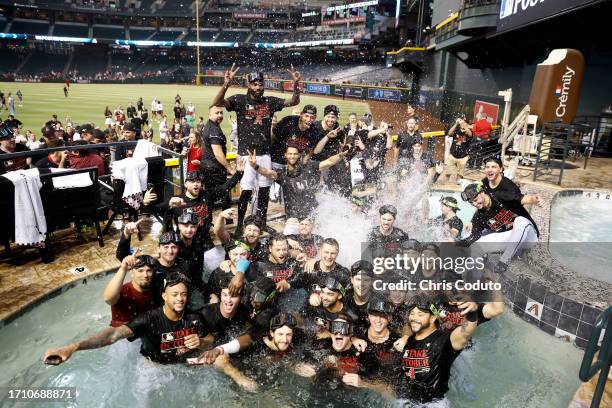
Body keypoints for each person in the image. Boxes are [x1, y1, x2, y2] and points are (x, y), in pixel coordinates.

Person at [212, 65, 302, 236]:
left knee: (264, 191)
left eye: (260, 84)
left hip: (264, 154)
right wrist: (226, 84)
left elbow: (294, 102)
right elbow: (218, 103)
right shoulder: (239, 100)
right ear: (249, 85)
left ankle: (262, 222)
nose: (258, 87)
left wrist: (296, 84)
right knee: (245, 192)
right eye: (254, 84)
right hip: (245, 154)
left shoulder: (270, 102)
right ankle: (240, 226)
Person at [42, 273, 208, 365]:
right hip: (155, 369)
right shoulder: (148, 319)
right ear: (164, 296)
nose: (180, 299)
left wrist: (201, 341)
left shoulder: (194, 317)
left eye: (183, 294)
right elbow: (112, 335)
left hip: (185, 363)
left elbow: (210, 338)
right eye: (175, 295)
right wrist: (74, 346)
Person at [391, 294, 478, 404]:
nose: (414, 318)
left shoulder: (445, 341)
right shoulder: (408, 340)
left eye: (420, 314)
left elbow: (465, 332)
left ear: (432, 318)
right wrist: (405, 337)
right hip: (404, 401)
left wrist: (473, 313)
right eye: (412, 313)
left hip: (433, 403)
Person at [246, 143, 347, 222]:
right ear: (285, 155)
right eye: (290, 154)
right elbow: (268, 173)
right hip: (293, 217)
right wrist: (255, 166)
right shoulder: (283, 174)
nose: (292, 156)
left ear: (299, 155)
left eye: (295, 154)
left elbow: (329, 162)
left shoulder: (309, 167)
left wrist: (340, 155)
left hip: (312, 214)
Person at [459, 182, 539, 274]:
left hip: (528, 237)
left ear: (482, 192)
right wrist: (458, 244)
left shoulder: (500, 197)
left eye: (476, 199)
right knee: (470, 238)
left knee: (521, 221)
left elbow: (521, 198)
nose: (475, 204)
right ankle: (476, 275)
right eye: (471, 202)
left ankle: (505, 260)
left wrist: (534, 199)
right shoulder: (479, 216)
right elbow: (474, 235)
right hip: (509, 237)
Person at [103, 254, 158, 327]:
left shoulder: (156, 289)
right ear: (131, 273)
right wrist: (123, 269)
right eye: (140, 271)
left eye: (149, 271)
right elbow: (108, 299)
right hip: (121, 334)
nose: (145, 275)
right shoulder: (122, 292)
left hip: (146, 330)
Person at [200, 105, 233, 214]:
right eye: (217, 113)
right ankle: (227, 225)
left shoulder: (210, 126)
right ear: (209, 115)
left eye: (221, 113)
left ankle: (207, 223)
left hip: (207, 168)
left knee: (209, 198)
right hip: (214, 170)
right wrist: (230, 168)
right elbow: (218, 153)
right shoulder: (214, 129)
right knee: (224, 196)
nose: (220, 115)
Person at [481, 157, 545, 208]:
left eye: (493, 167)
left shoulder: (508, 187)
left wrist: (534, 199)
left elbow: (520, 198)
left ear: (500, 169)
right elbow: (478, 186)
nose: (489, 170)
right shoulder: (486, 180)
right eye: (487, 167)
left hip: (510, 215)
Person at [445, 117, 472, 184]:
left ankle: (457, 186)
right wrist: (456, 123)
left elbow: (470, 134)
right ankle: (447, 186)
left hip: (463, 157)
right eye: (461, 122)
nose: (462, 123)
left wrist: (465, 126)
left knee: (460, 176)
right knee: (448, 173)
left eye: (464, 122)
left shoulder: (468, 132)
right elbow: (449, 133)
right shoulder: (456, 130)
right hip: (453, 156)